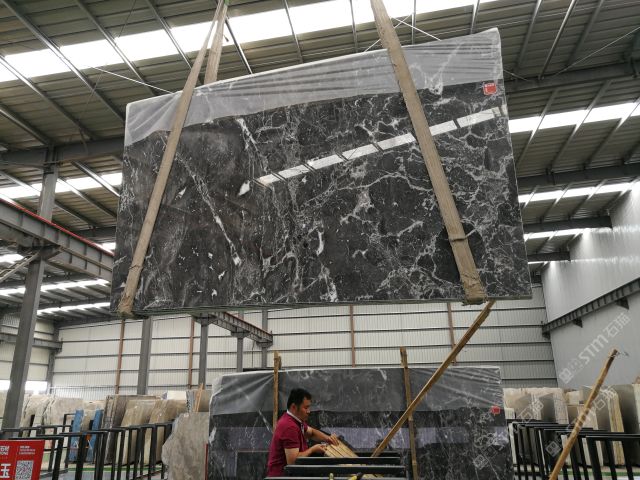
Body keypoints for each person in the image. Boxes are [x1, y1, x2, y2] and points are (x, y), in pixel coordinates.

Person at [266, 388, 339, 476]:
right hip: (281, 476)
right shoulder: (289, 426)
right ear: (294, 407)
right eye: (306, 407)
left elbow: (311, 433)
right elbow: (292, 462)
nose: (309, 411)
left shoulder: (295, 421)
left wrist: (328, 439)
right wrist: (312, 449)